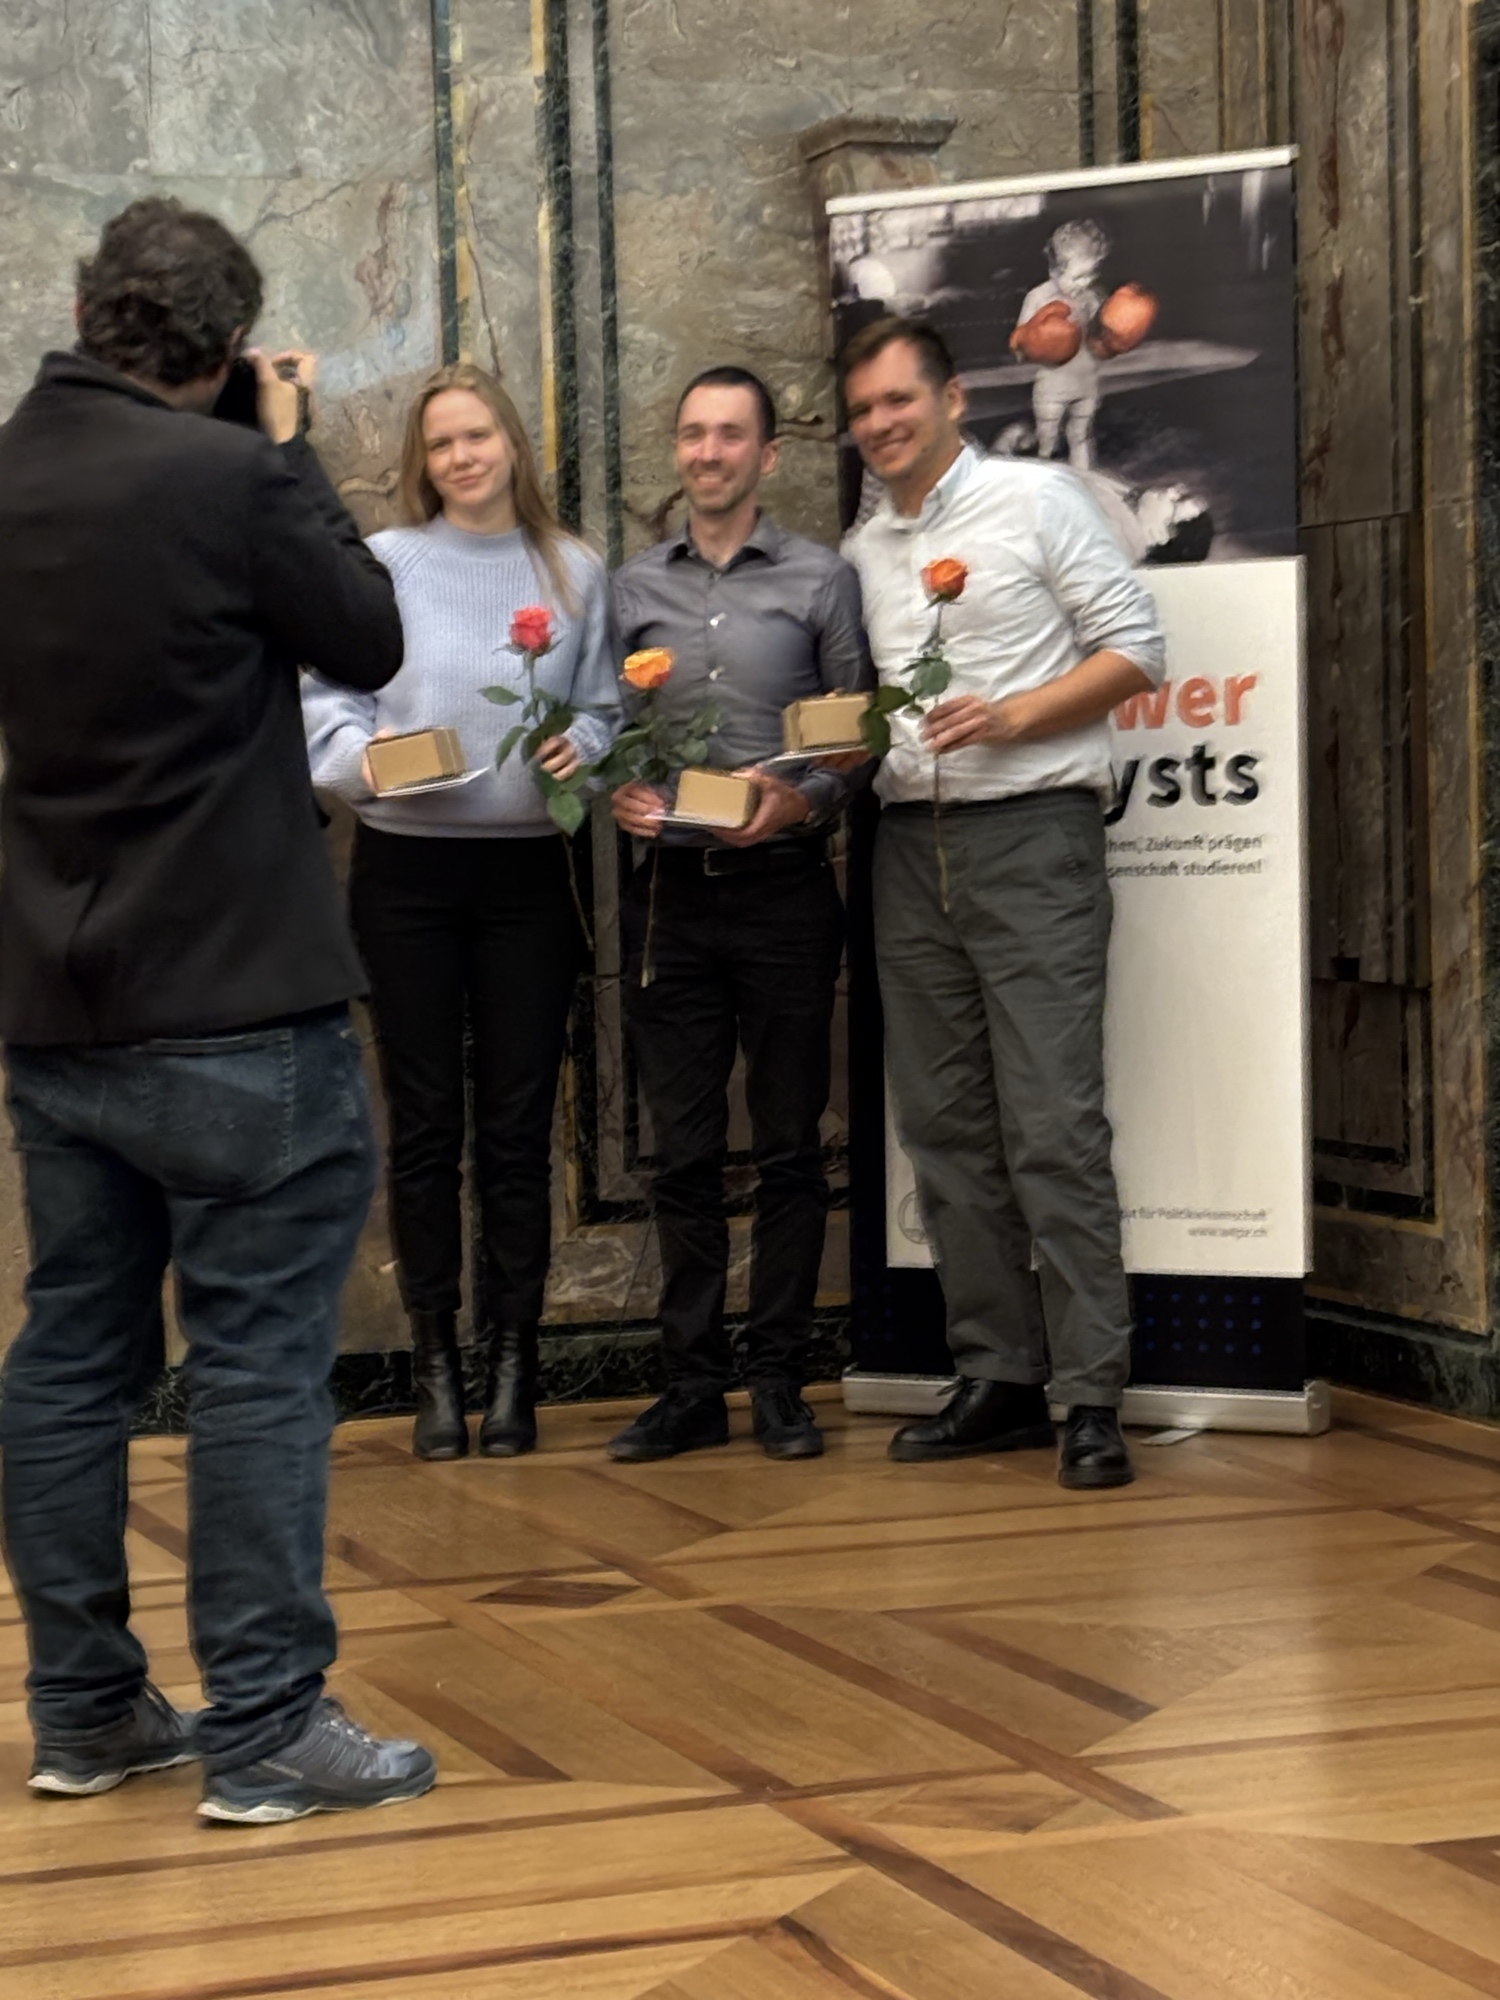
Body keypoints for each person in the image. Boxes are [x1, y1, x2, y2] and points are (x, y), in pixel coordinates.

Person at [0, 197, 436, 1821]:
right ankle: (263, 1729)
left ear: (85, 313)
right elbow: (371, 639)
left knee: (70, 1359)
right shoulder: (232, 476)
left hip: (57, 1002)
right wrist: (292, 449)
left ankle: (86, 1713)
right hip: (241, 1001)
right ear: (227, 348)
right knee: (256, 1365)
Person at [839, 316, 1166, 1489]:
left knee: (1053, 1124)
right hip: (906, 848)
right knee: (942, 1128)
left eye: (899, 399)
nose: (881, 423)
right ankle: (1000, 1377)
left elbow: (1137, 647)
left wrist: (1014, 714)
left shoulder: (1037, 500)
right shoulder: (862, 549)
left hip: (1033, 836)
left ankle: (1092, 1393)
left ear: (953, 398)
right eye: (863, 409)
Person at [303, 364, 619, 1463]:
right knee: (428, 1127)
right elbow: (326, 705)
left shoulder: (574, 567)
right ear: (421, 461)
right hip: (406, 881)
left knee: (520, 1133)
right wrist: (367, 762)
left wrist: (586, 744)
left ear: (513, 443)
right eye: (441, 444)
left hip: (529, 880)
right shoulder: (385, 565)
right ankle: (436, 1365)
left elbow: (604, 706)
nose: (462, 457)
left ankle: (514, 1365)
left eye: (477, 435)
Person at [607, 366, 872, 1463]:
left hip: (785, 892)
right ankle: (691, 1387)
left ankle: (778, 1380)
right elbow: (601, 725)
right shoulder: (630, 589)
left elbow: (856, 737)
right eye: (692, 433)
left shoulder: (822, 580)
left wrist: (800, 800)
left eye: (729, 435)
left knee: (793, 1147)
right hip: (668, 895)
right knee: (682, 1153)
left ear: (768, 455)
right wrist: (615, 786)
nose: (707, 452)